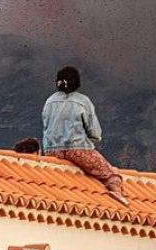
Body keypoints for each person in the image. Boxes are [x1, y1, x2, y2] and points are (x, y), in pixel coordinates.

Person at [42, 66, 130, 206]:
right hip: (77, 150)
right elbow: (94, 132)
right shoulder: (82, 101)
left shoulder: (49, 101)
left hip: (52, 151)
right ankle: (117, 193)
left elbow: (46, 125)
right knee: (111, 174)